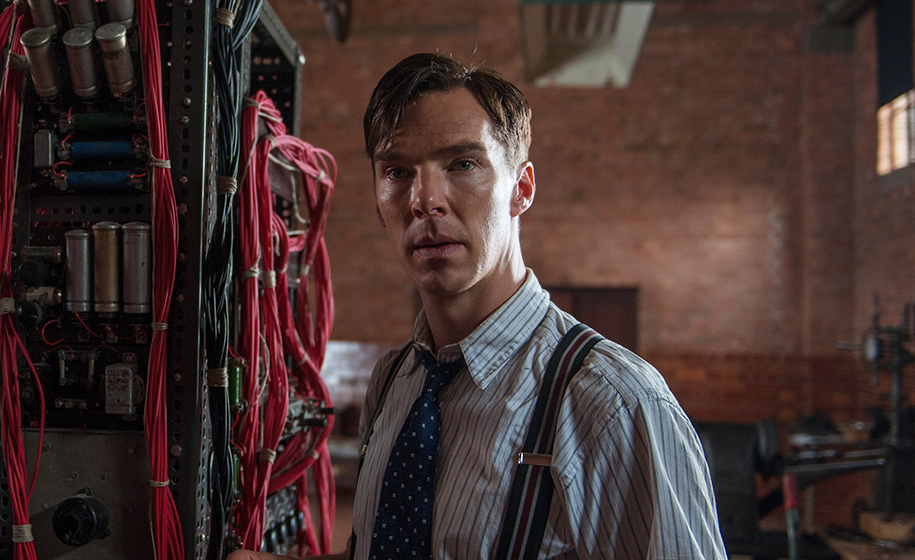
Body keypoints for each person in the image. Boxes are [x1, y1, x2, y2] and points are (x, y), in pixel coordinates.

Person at [229, 53, 725, 560]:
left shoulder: (613, 404)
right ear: (378, 202)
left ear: (521, 190)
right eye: (397, 171)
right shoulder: (395, 381)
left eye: (462, 164)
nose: (425, 199)